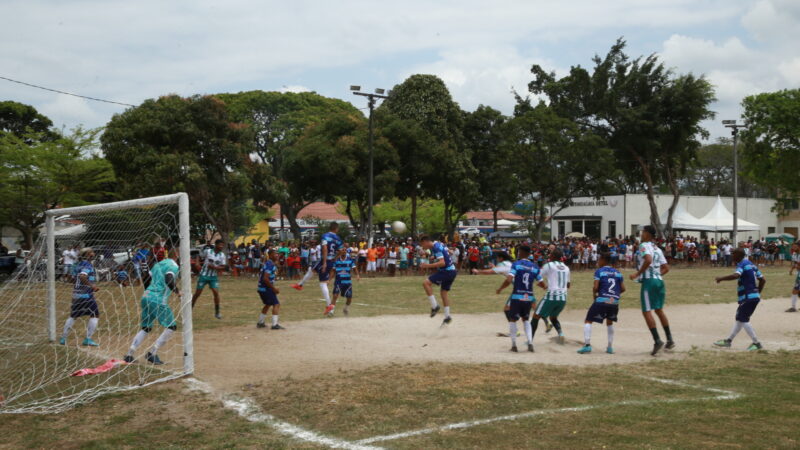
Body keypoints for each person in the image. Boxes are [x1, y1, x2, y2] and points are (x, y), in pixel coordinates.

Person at [124, 248, 181, 364]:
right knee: (171, 327)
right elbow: (169, 279)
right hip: (158, 299)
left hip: (146, 296)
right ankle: (152, 353)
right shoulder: (174, 266)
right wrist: (178, 292)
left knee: (146, 328)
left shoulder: (158, 264)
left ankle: (129, 355)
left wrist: (150, 291)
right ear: (177, 254)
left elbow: (146, 278)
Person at [629, 225, 674, 356]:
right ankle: (670, 339)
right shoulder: (657, 248)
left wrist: (638, 274)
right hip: (659, 281)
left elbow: (648, 259)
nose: (641, 234)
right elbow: (666, 268)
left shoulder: (644, 245)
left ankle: (657, 340)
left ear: (648, 234)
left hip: (649, 282)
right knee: (659, 310)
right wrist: (656, 275)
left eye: (643, 232)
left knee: (646, 311)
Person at [714, 248, 766, 351]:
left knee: (743, 319)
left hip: (747, 297)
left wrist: (721, 278)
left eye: (733, 254)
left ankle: (757, 343)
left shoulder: (742, 264)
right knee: (740, 319)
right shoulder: (752, 264)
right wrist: (757, 292)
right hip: (753, 297)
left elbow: (736, 275)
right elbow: (763, 280)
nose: (732, 256)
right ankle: (728, 341)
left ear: (738, 255)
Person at [495, 245, 540, 352]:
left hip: (516, 296)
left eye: (519, 251)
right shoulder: (534, 266)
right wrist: (544, 286)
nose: (518, 253)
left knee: (513, 319)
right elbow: (541, 281)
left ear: (521, 252)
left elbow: (509, 279)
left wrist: (500, 288)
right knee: (526, 319)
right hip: (528, 296)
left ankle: (514, 345)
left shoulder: (516, 264)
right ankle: (530, 343)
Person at [578, 252, 625, 354]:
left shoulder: (599, 271)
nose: (598, 261)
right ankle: (609, 347)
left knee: (588, 320)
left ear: (603, 260)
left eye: (599, 259)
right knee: (609, 322)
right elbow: (623, 289)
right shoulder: (618, 273)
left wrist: (594, 294)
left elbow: (595, 287)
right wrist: (613, 296)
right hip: (614, 301)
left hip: (602, 300)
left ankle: (587, 345)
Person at [292, 223, 342, 311]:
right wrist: (335, 258)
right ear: (336, 229)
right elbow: (341, 251)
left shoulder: (325, 236)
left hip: (324, 261)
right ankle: (300, 285)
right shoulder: (338, 239)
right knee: (312, 270)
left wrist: (325, 262)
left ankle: (329, 305)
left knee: (322, 283)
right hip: (330, 261)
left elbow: (325, 249)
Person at [59, 248, 101, 347]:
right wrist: (92, 286)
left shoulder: (76, 265)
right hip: (86, 294)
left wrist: (77, 286)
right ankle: (88, 339)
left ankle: (63, 338)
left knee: (73, 316)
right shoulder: (87, 264)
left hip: (76, 294)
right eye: (92, 252)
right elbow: (82, 276)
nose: (94, 253)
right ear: (87, 255)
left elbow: (70, 278)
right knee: (95, 314)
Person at [531, 249, 570, 345]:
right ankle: (561, 334)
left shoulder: (548, 265)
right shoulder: (566, 267)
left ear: (552, 256)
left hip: (552, 296)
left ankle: (529, 340)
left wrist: (543, 285)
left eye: (550, 255)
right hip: (563, 298)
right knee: (553, 317)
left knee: (535, 316)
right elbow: (568, 285)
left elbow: (538, 276)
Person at [420, 235, 457, 326]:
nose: (422, 246)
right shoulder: (437, 243)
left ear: (426, 241)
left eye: (422, 244)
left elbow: (442, 263)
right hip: (452, 271)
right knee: (443, 293)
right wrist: (448, 252)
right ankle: (447, 317)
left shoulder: (435, 247)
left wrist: (427, 266)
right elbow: (447, 250)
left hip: (446, 271)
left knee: (426, 283)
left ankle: (435, 306)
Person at [191, 239, 227, 319]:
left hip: (213, 277)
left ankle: (217, 312)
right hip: (203, 275)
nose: (221, 246)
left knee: (216, 292)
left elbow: (223, 266)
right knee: (197, 294)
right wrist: (197, 263)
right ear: (216, 245)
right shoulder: (208, 251)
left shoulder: (222, 255)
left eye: (222, 245)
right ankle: (190, 309)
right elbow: (199, 255)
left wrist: (215, 267)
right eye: (220, 245)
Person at [327, 247, 361, 317]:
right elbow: (333, 271)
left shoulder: (350, 260)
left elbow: (355, 268)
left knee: (349, 298)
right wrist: (329, 280)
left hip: (347, 282)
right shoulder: (336, 261)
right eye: (343, 250)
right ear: (340, 251)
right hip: (338, 281)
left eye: (345, 250)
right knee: (335, 296)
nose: (344, 251)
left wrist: (357, 275)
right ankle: (331, 311)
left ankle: (345, 308)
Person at [257, 249, 285, 330]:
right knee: (276, 304)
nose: (277, 255)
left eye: (277, 254)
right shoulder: (270, 264)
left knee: (268, 304)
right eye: (275, 254)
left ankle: (260, 322)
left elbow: (270, 276)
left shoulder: (270, 263)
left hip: (261, 288)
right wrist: (274, 289)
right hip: (266, 288)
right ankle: (274, 324)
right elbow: (265, 279)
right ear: (270, 255)